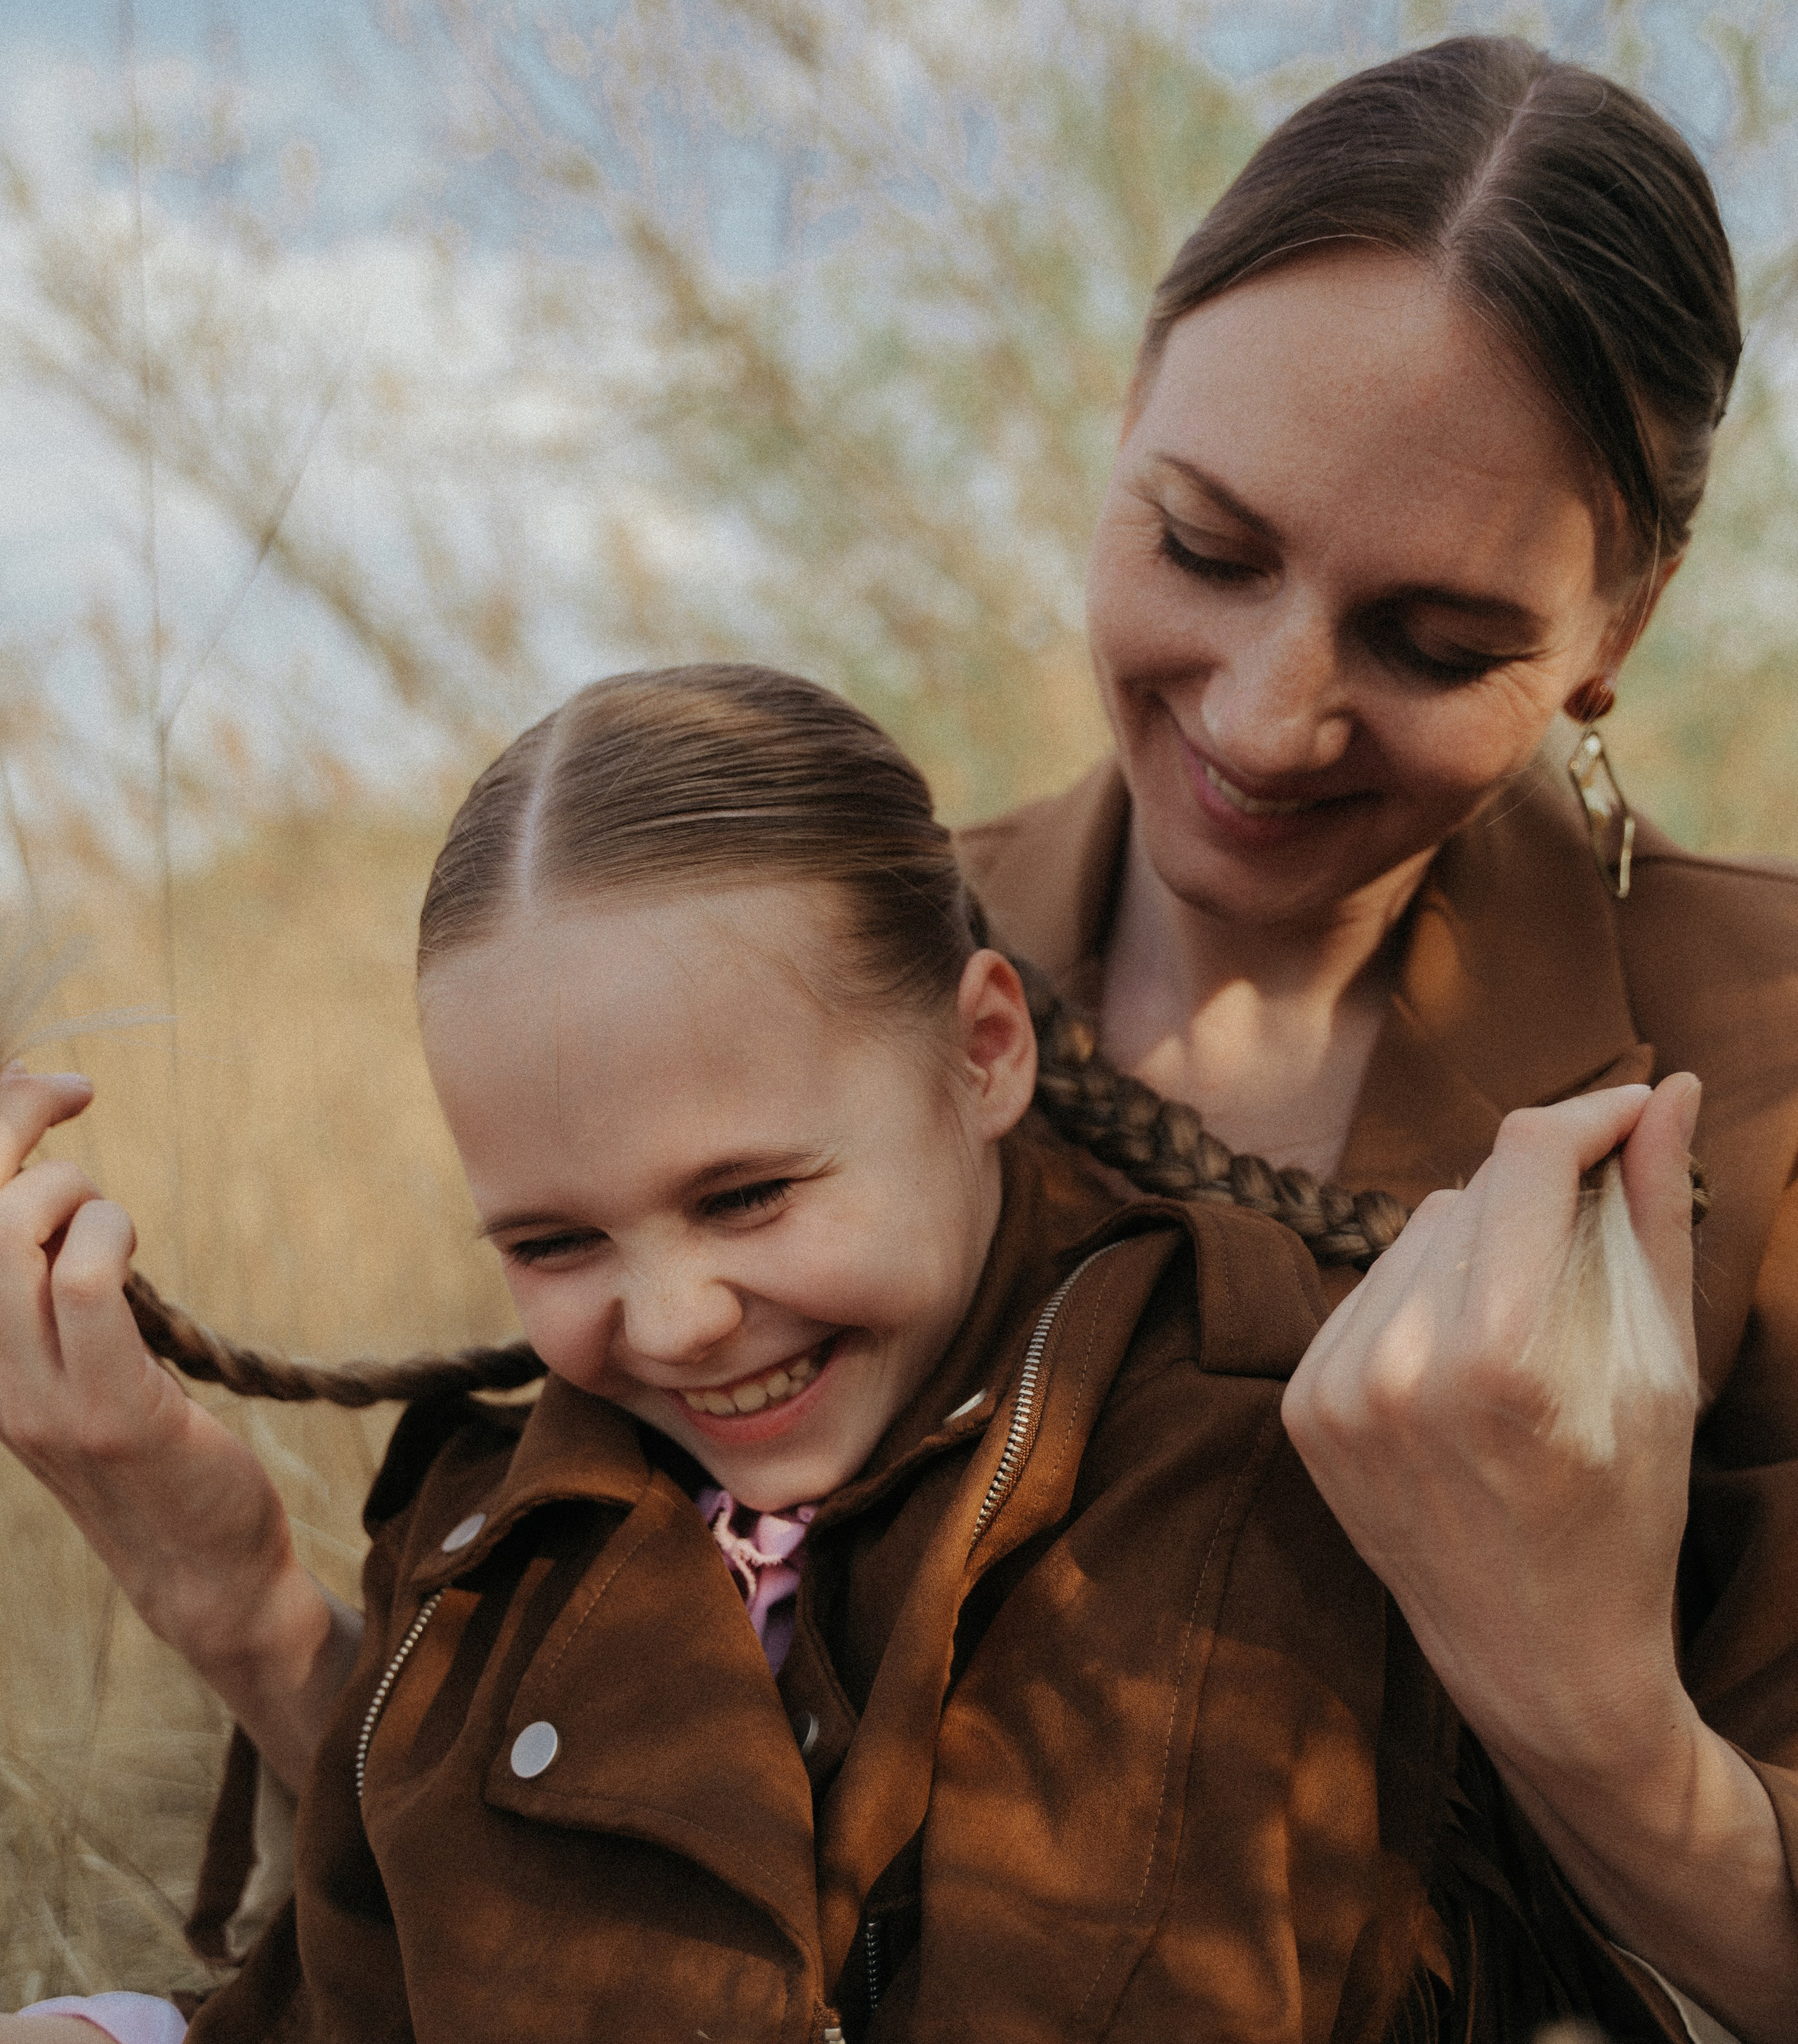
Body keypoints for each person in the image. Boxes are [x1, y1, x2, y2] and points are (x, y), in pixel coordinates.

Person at [0, 665, 1719, 2042]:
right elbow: (371, 1980)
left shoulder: (1207, 1468)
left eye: (746, 1194)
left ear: (981, 1052)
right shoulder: (501, 1514)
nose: (667, 1321)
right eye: (552, 1240)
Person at [957, 31, 1798, 2044]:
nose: (1260, 719)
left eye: (1438, 645)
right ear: (1129, 406)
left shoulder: (1764, 1072)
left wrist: (1582, 1705)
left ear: (1619, 629)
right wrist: (226, 1592)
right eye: (1202, 547)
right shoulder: (839, 964)